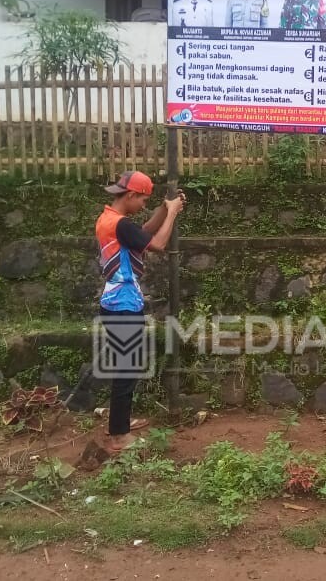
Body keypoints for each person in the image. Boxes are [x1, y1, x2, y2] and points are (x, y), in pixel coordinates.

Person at [95, 170, 185, 452]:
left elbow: (143, 234)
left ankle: (119, 422)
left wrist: (163, 208)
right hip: (123, 305)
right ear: (131, 195)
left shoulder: (110, 219)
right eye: (143, 201)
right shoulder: (120, 224)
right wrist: (171, 215)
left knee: (125, 366)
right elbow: (157, 244)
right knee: (127, 367)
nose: (143, 205)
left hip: (116, 302)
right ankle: (119, 436)